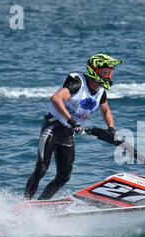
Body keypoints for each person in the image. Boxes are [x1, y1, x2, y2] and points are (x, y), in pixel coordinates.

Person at [24, 53, 121, 200]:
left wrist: (111, 129)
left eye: (110, 72)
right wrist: (72, 122)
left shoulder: (101, 91)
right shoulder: (77, 83)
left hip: (68, 134)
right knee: (41, 168)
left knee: (64, 176)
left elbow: (106, 110)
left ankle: (41, 203)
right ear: (94, 70)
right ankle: (25, 202)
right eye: (105, 72)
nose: (108, 75)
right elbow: (56, 98)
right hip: (53, 128)